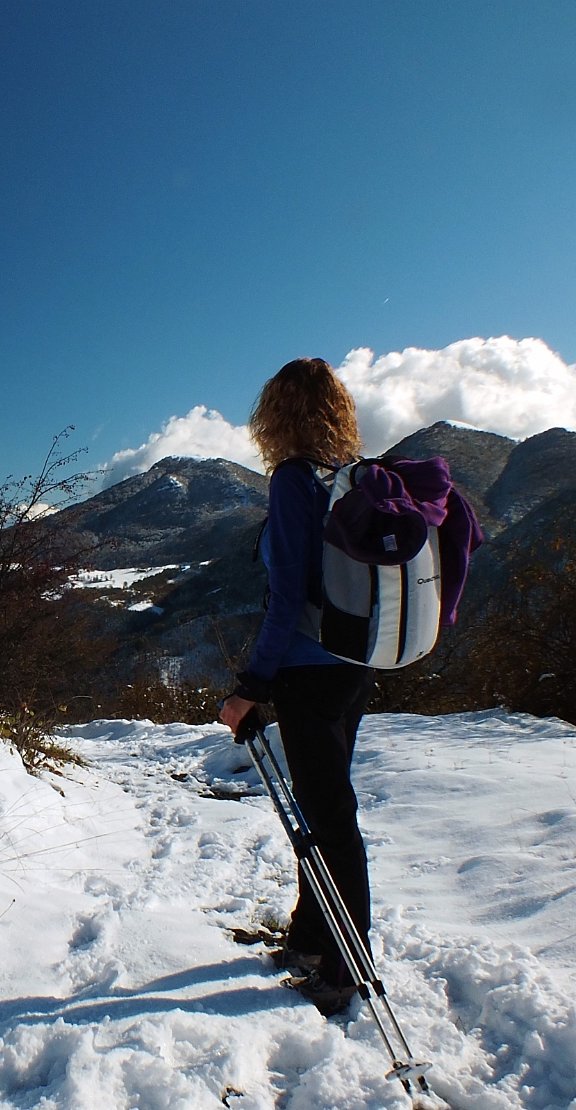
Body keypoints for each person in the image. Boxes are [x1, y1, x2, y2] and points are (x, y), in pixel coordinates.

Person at [217, 357, 374, 1017]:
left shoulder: (292, 482)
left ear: (275, 414)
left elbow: (285, 602)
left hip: (308, 672)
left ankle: (347, 965)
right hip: (355, 666)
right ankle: (311, 935)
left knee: (329, 819)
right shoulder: (347, 480)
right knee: (321, 810)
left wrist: (251, 685)